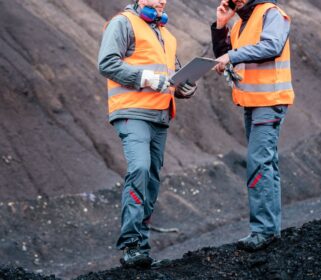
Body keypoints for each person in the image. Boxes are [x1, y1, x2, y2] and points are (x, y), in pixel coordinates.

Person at [98, 0, 196, 268]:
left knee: (151, 179)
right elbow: (106, 63)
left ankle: (141, 245)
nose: (162, 1)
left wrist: (184, 87)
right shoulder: (123, 23)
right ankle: (130, 245)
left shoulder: (167, 35)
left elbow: (172, 77)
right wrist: (145, 78)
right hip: (132, 112)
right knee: (140, 169)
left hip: (160, 115)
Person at [212, 0, 294, 251]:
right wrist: (220, 26)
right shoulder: (240, 24)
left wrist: (231, 55)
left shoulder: (272, 13)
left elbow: (272, 46)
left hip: (270, 100)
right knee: (266, 163)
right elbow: (225, 55)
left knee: (259, 162)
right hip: (253, 102)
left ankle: (263, 230)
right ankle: (271, 230)